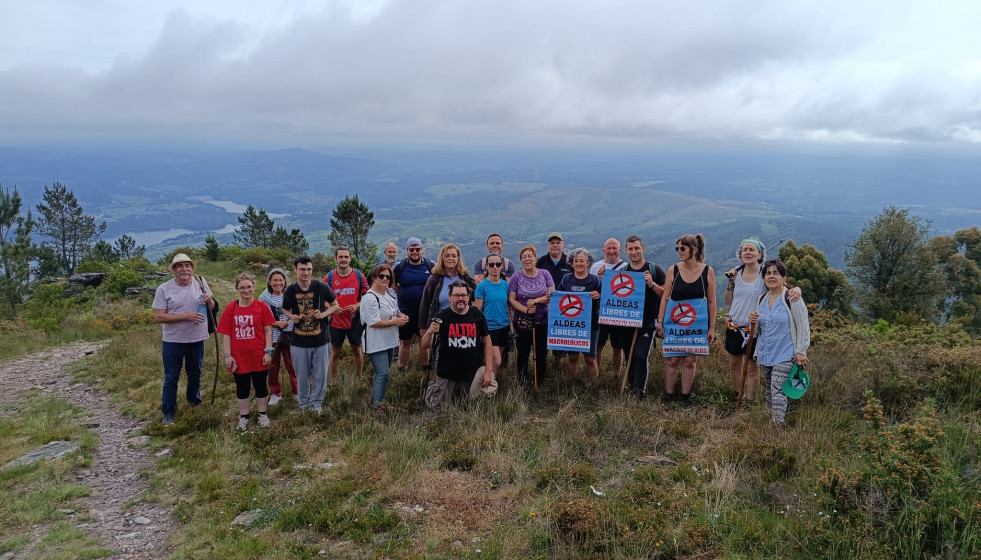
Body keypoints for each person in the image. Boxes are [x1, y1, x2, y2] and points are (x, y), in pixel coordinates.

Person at [723, 240, 801, 402]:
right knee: (734, 365)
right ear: (740, 254)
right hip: (734, 326)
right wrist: (730, 282)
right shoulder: (736, 274)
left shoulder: (764, 274)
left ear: (760, 254)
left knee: (752, 367)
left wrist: (796, 289)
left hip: (755, 329)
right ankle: (737, 395)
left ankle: (750, 400)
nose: (748, 252)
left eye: (752, 249)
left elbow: (782, 287)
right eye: (745, 250)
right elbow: (729, 301)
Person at [152, 253, 215, 425]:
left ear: (192, 268)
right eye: (180, 266)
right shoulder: (164, 289)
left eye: (187, 265)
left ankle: (194, 403)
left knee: (195, 374)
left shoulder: (200, 282)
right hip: (173, 341)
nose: (184, 269)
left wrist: (210, 301)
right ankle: (168, 413)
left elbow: (212, 306)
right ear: (174, 270)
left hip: (197, 338)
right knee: (171, 377)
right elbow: (158, 317)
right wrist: (186, 316)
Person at [748, 259, 810, 425]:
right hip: (766, 353)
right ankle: (771, 417)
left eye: (776, 273)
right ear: (763, 278)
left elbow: (803, 325)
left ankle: (777, 425)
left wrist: (801, 351)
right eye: (768, 273)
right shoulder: (761, 299)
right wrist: (752, 321)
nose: (771, 276)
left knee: (777, 388)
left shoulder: (792, 298)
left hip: (786, 353)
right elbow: (755, 332)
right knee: (769, 388)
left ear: (784, 277)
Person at [657, 234, 716, 402]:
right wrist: (660, 323)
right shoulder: (673, 270)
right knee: (672, 359)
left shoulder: (708, 271)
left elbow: (711, 301)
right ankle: (668, 395)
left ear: (694, 250)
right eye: (677, 248)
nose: (679, 251)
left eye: (682, 248)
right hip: (674, 323)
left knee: (690, 361)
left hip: (696, 325)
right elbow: (665, 298)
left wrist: (712, 327)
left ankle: (685, 397)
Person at [420, 280, 495, 408]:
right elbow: (425, 345)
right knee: (437, 407)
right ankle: (433, 388)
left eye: (463, 295)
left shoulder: (477, 314)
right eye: (456, 295)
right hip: (447, 373)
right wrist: (430, 331)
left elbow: (487, 342)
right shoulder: (442, 316)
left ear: (468, 297)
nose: (460, 299)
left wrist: (488, 370)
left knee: (470, 406)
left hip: (471, 372)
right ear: (449, 297)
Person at [217, 273, 276, 430]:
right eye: (242, 287)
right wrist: (228, 355)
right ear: (237, 288)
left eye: (249, 287)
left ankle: (262, 414)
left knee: (260, 385)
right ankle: (244, 416)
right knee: (242, 387)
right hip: (239, 357)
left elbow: (268, 330)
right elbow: (227, 334)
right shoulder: (232, 308)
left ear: (254, 287)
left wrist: (268, 351)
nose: (246, 290)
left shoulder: (262, 306)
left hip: (259, 355)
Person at [282, 255, 339, 413]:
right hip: (298, 342)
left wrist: (324, 314)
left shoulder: (321, 286)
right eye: (302, 269)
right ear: (295, 270)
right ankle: (304, 405)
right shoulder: (290, 290)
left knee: (320, 375)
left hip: (321, 340)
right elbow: (284, 308)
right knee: (302, 376)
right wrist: (291, 316)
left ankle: (316, 404)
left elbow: (335, 305)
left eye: (309, 269)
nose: (306, 273)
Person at [618, 236, 667, 398]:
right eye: (630, 249)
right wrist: (605, 277)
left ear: (643, 248)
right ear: (626, 251)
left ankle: (640, 393)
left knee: (640, 355)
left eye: (637, 248)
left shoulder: (654, 269)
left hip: (648, 321)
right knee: (630, 356)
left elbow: (665, 295)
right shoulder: (623, 271)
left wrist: (651, 284)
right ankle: (631, 388)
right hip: (627, 321)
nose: (634, 252)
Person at [360, 264, 409, 410]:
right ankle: (378, 407)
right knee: (383, 373)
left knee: (382, 373)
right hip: (376, 342)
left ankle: (377, 400)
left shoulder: (387, 295)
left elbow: (394, 311)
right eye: (381, 276)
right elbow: (373, 321)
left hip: (388, 341)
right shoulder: (370, 298)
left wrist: (401, 316)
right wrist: (394, 322)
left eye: (388, 276)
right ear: (374, 278)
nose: (385, 279)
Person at [510, 245, 555, 386]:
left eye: (530, 256)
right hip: (522, 323)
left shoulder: (545, 274)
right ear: (521, 261)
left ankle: (540, 381)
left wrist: (536, 300)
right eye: (524, 257)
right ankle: (522, 381)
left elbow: (552, 295)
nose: (527, 259)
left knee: (541, 353)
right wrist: (526, 310)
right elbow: (511, 299)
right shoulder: (516, 276)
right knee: (523, 353)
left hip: (542, 321)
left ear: (535, 259)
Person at [556, 248, 602, 381]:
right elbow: (558, 298)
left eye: (582, 261)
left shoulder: (595, 280)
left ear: (588, 263)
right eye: (575, 261)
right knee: (572, 357)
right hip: (572, 325)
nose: (579, 263)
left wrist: (599, 295)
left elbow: (606, 298)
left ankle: (593, 387)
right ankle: (572, 385)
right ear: (572, 263)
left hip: (591, 325)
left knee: (590, 359)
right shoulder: (566, 279)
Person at [325, 247, 368, 381]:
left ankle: (359, 379)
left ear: (350, 259)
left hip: (355, 321)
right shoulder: (329, 277)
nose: (343, 259)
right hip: (336, 322)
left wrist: (356, 306)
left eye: (346, 257)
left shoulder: (359, 276)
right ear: (335, 259)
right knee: (335, 352)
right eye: (340, 257)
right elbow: (322, 299)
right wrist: (332, 308)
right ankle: (333, 382)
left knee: (357, 350)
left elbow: (367, 297)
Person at [591, 238, 630, 378]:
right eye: (609, 248)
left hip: (618, 315)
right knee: (598, 346)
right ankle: (596, 375)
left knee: (618, 347)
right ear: (604, 250)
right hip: (599, 313)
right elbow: (592, 288)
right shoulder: (595, 267)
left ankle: (616, 375)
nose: (612, 251)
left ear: (620, 250)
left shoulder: (626, 267)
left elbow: (626, 292)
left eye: (615, 248)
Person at [393, 237, 434, 370]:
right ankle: (401, 367)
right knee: (405, 342)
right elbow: (393, 283)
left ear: (422, 250)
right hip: (405, 312)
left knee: (423, 342)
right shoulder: (400, 267)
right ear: (407, 251)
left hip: (424, 313)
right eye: (411, 249)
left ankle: (425, 367)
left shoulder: (430, 265)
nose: (415, 252)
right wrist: (403, 293)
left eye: (417, 249)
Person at [258, 268, 295, 406]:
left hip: (290, 334)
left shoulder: (291, 295)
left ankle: (297, 391)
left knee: (293, 364)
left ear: (285, 281)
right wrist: (276, 323)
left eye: (281, 280)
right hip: (271, 337)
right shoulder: (263, 299)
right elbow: (260, 319)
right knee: (273, 366)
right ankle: (275, 393)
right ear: (269, 282)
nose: (278, 283)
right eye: (275, 280)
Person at [418, 243, 476, 332]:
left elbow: (475, 295)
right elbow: (425, 303)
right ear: (442, 258)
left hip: (463, 322)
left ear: (458, 259)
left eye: (454, 256)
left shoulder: (464, 276)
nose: (451, 258)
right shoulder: (434, 279)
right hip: (441, 323)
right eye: (447, 256)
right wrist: (423, 326)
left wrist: (465, 292)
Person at [474, 253, 511, 372]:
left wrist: (511, 324)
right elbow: (478, 310)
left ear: (501, 266)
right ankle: (486, 379)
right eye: (491, 264)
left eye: (498, 264)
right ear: (486, 266)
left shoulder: (505, 285)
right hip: (489, 328)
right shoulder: (482, 286)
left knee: (496, 362)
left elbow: (508, 306)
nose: (495, 267)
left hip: (504, 327)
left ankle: (491, 381)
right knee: (497, 360)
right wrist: (480, 330)